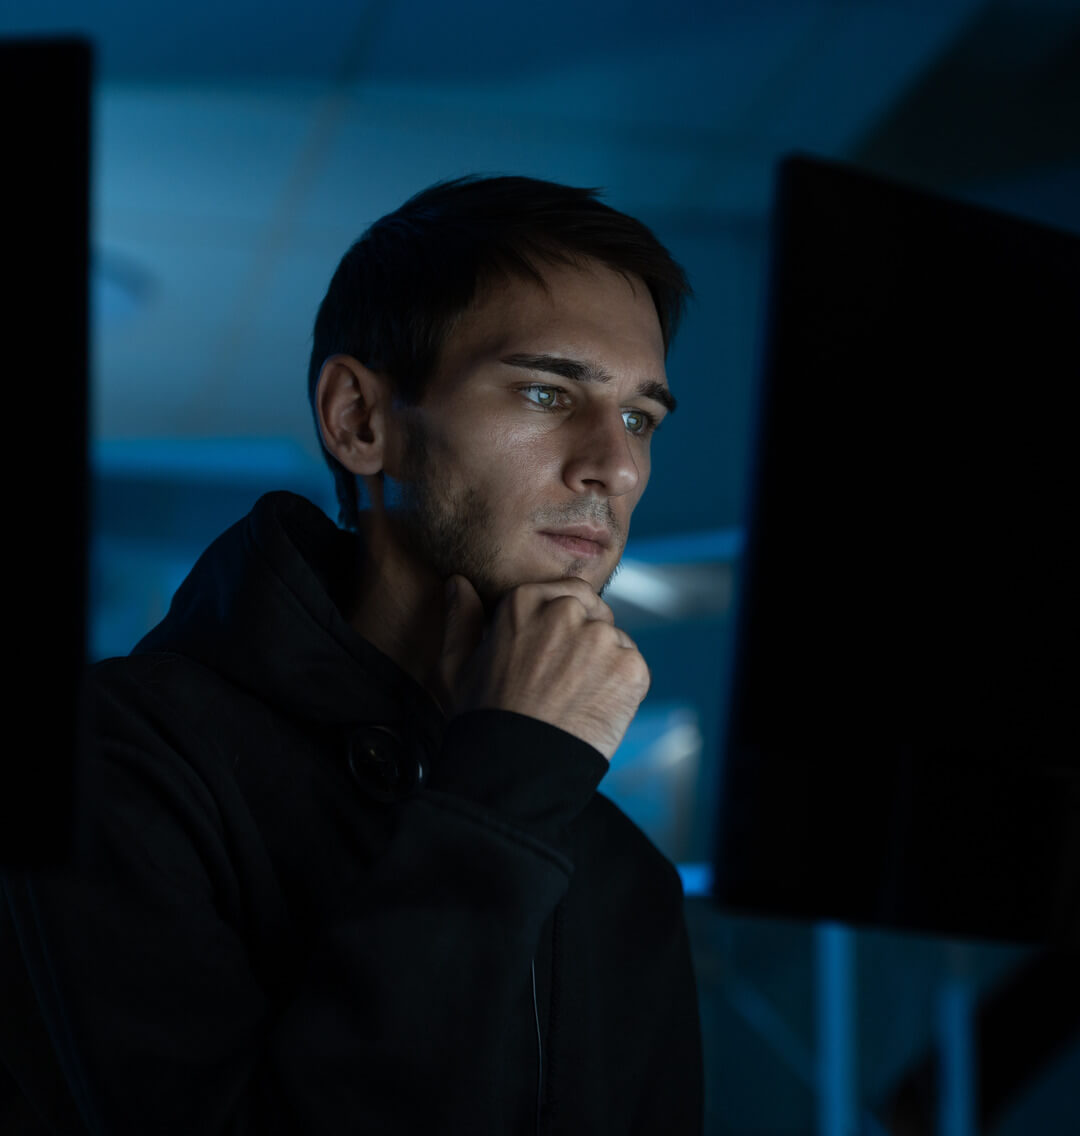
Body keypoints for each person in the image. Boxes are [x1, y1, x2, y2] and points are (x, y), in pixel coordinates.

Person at [0, 175, 704, 1134]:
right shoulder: (116, 758)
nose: (615, 466)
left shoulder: (624, 876)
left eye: (639, 418)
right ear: (359, 421)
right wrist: (500, 796)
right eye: (547, 392)